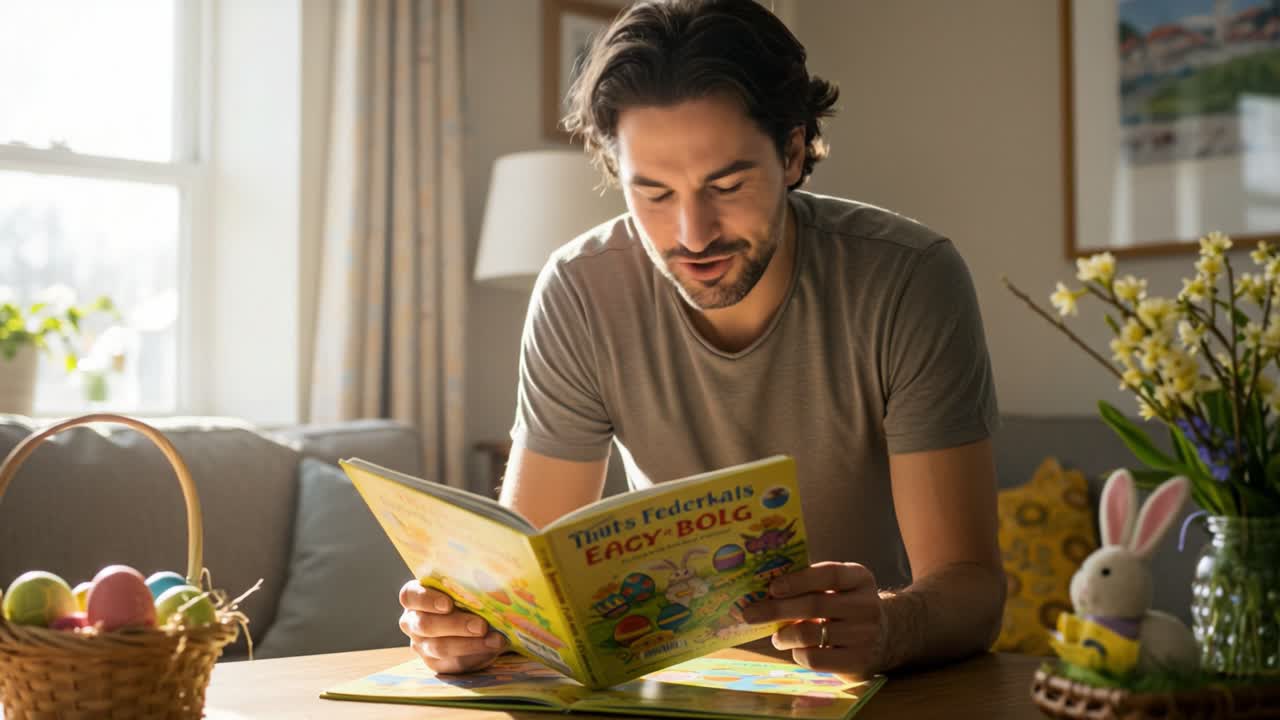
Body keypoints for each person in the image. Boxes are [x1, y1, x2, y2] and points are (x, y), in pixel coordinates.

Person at [400, 0, 1004, 681]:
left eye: (727, 184)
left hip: (873, 687)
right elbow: (528, 584)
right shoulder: (579, 291)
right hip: (674, 683)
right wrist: (476, 626)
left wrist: (892, 625)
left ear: (795, 150)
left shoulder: (909, 280)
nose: (692, 234)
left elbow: (973, 589)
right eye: (652, 193)